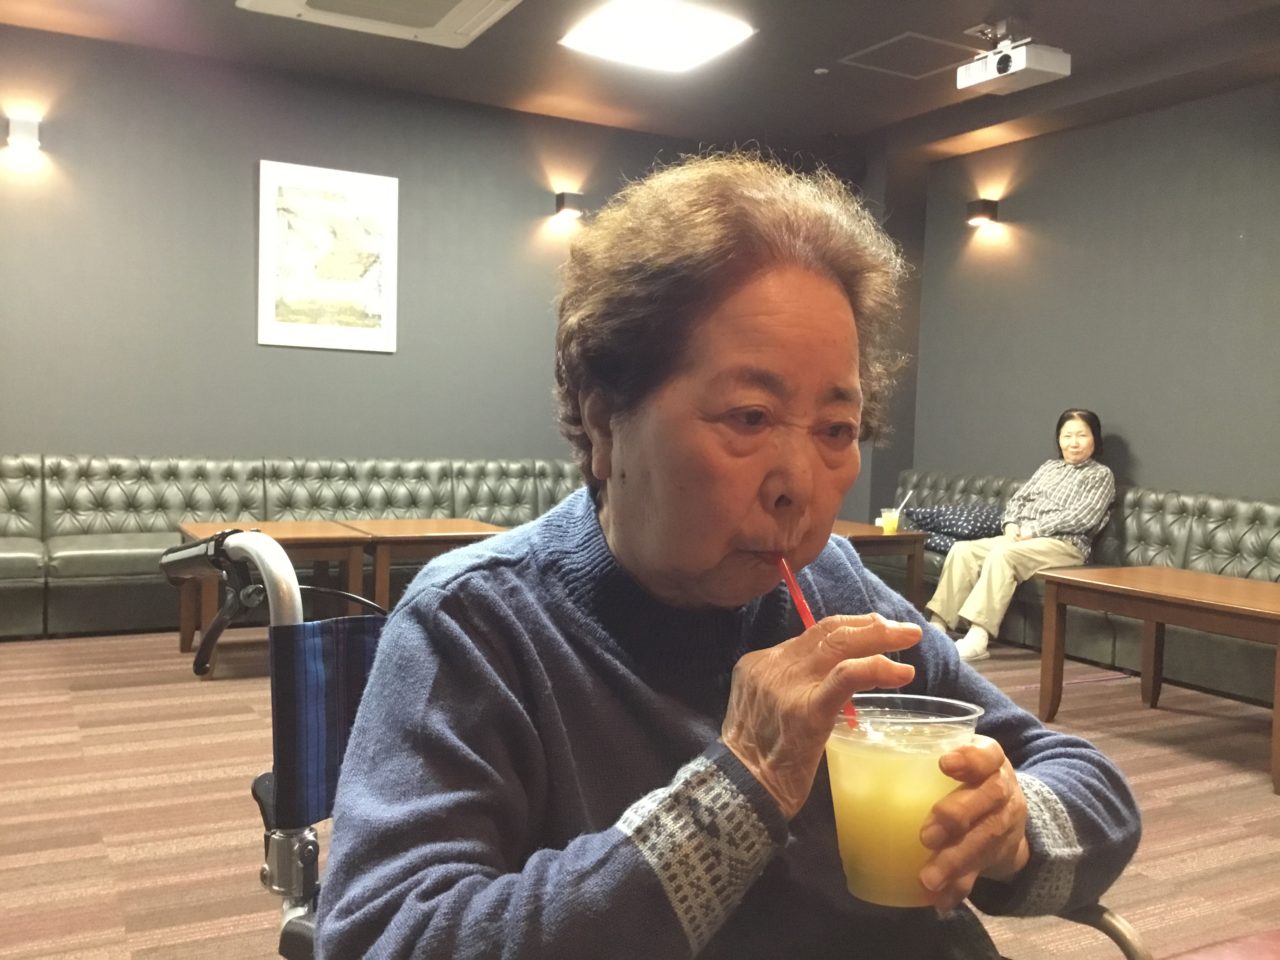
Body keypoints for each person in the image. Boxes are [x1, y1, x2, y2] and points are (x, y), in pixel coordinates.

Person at [316, 154, 1140, 960]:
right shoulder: (475, 625)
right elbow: (384, 936)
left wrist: (1008, 829)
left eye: (836, 429)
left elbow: (1085, 781)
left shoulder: (834, 589)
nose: (798, 486)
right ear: (604, 423)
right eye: (749, 417)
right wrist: (742, 785)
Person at [926, 410, 1115, 663]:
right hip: (1023, 539)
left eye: (1081, 435)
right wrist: (1011, 523)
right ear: (1058, 439)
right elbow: (1018, 499)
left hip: (1065, 544)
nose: (1074, 442)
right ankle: (937, 627)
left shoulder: (1100, 475)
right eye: (1067, 435)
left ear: (1095, 438)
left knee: (1004, 555)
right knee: (963, 550)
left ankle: (978, 637)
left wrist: (1034, 530)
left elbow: (1084, 517)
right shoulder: (1049, 467)